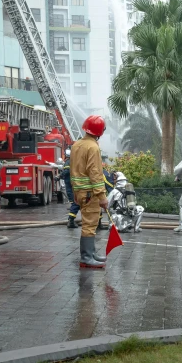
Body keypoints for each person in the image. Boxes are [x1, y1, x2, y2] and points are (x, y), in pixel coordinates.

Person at [69, 115, 109, 268]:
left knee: (88, 223)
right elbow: (95, 173)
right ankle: (86, 257)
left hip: (80, 191)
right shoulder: (93, 147)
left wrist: (74, 190)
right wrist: (102, 196)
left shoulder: (76, 145)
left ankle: (91, 254)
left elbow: (73, 171)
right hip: (90, 192)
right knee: (89, 224)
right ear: (99, 131)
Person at [61, 149, 80, 229]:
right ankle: (71, 221)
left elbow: (66, 171)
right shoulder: (72, 162)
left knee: (74, 202)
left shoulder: (68, 162)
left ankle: (71, 221)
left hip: (71, 184)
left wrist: (60, 176)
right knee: (75, 203)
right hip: (73, 185)